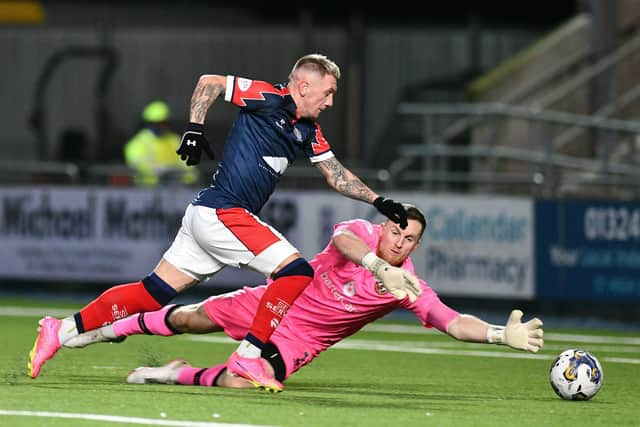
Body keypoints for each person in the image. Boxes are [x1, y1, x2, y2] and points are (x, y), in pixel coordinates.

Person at [28, 53, 416, 391]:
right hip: (223, 212)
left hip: (208, 213)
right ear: (302, 86)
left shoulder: (307, 130)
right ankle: (249, 355)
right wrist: (194, 130)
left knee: (152, 294)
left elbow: (336, 174)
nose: (331, 101)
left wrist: (380, 201)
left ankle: (60, 330)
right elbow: (209, 83)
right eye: (328, 92)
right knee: (297, 272)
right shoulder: (268, 97)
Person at [61, 205, 544, 392]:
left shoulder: (408, 285)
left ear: (417, 246)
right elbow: (344, 244)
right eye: (396, 230)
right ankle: (108, 329)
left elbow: (451, 321)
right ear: (385, 226)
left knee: (239, 385)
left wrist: (502, 334)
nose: (399, 241)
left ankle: (169, 374)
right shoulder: (363, 233)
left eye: (410, 238)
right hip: (275, 302)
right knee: (192, 318)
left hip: (300, 341)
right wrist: (378, 266)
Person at [123, 100, 198, 186]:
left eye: (164, 122)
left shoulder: (174, 140)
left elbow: (188, 165)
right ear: (150, 123)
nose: (162, 126)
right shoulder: (137, 143)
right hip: (147, 190)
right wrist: (161, 173)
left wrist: (184, 177)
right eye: (158, 123)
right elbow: (138, 165)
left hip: (176, 187)